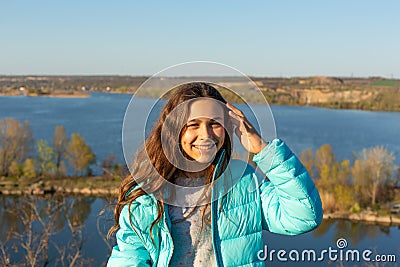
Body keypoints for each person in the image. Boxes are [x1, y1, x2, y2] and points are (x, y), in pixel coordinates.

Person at [107, 82, 323, 267]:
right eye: (193, 125)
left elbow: (304, 216)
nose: (206, 135)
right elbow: (129, 259)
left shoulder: (242, 180)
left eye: (214, 124)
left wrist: (263, 150)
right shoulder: (148, 195)